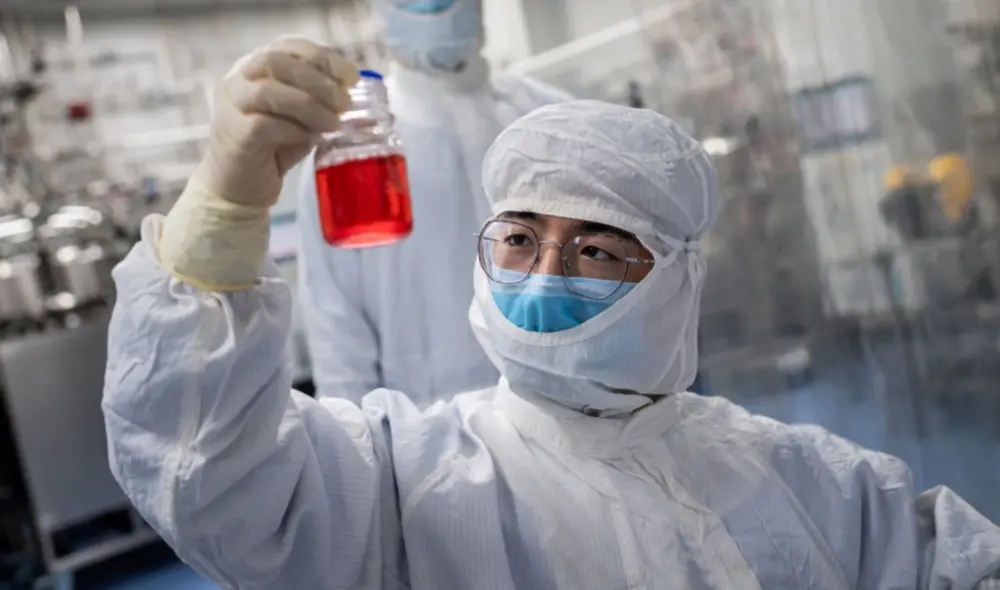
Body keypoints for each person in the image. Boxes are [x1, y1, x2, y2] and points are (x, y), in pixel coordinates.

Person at [103, 38, 1000, 589]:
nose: (545, 275)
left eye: (599, 249)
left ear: (677, 279)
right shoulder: (400, 481)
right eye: (520, 239)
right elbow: (211, 479)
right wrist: (220, 213)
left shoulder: (818, 482)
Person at [294, 0, 572, 404]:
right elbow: (338, 338)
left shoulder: (555, 120)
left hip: (564, 420)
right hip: (423, 443)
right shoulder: (350, 149)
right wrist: (361, 452)